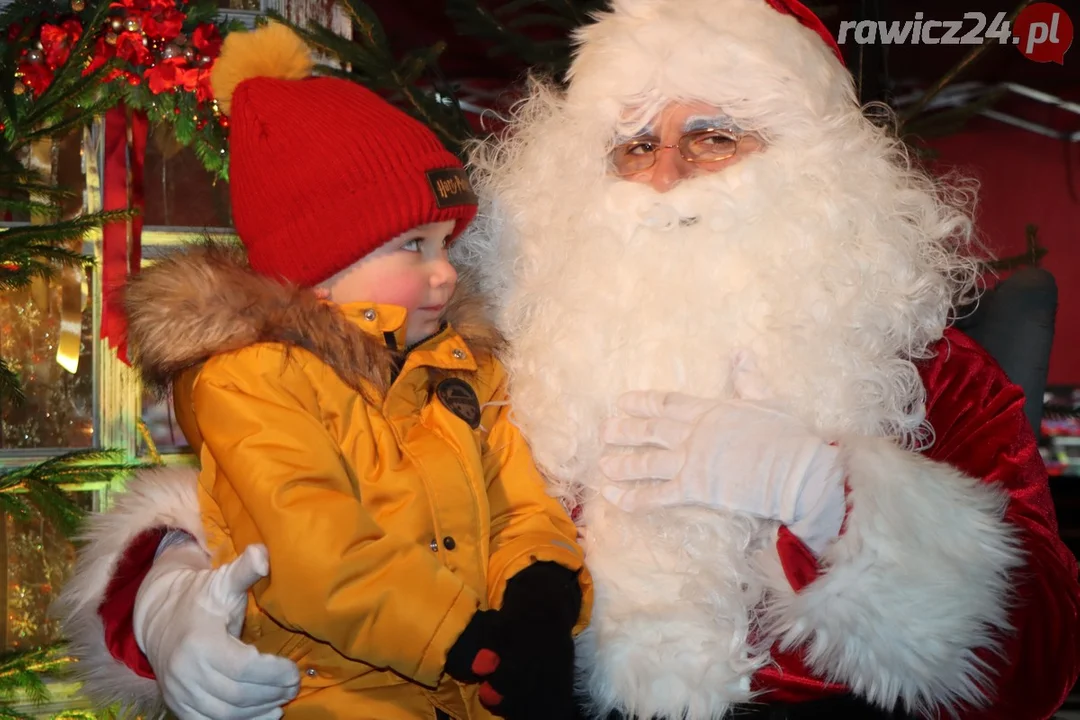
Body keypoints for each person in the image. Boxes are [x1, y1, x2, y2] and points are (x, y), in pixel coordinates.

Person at [58, 0, 1080, 719]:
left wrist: (825, 495)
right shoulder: (511, 345)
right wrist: (171, 599)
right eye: (631, 144)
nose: (665, 173)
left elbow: (1036, 665)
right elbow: (301, 475)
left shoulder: (929, 374)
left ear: (816, 168)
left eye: (714, 135)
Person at [56, 21, 591, 720]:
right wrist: (466, 640)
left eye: (445, 244)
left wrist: (540, 598)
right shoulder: (250, 381)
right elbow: (316, 556)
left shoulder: (460, 368)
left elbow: (520, 504)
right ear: (320, 267)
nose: (442, 274)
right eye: (413, 246)